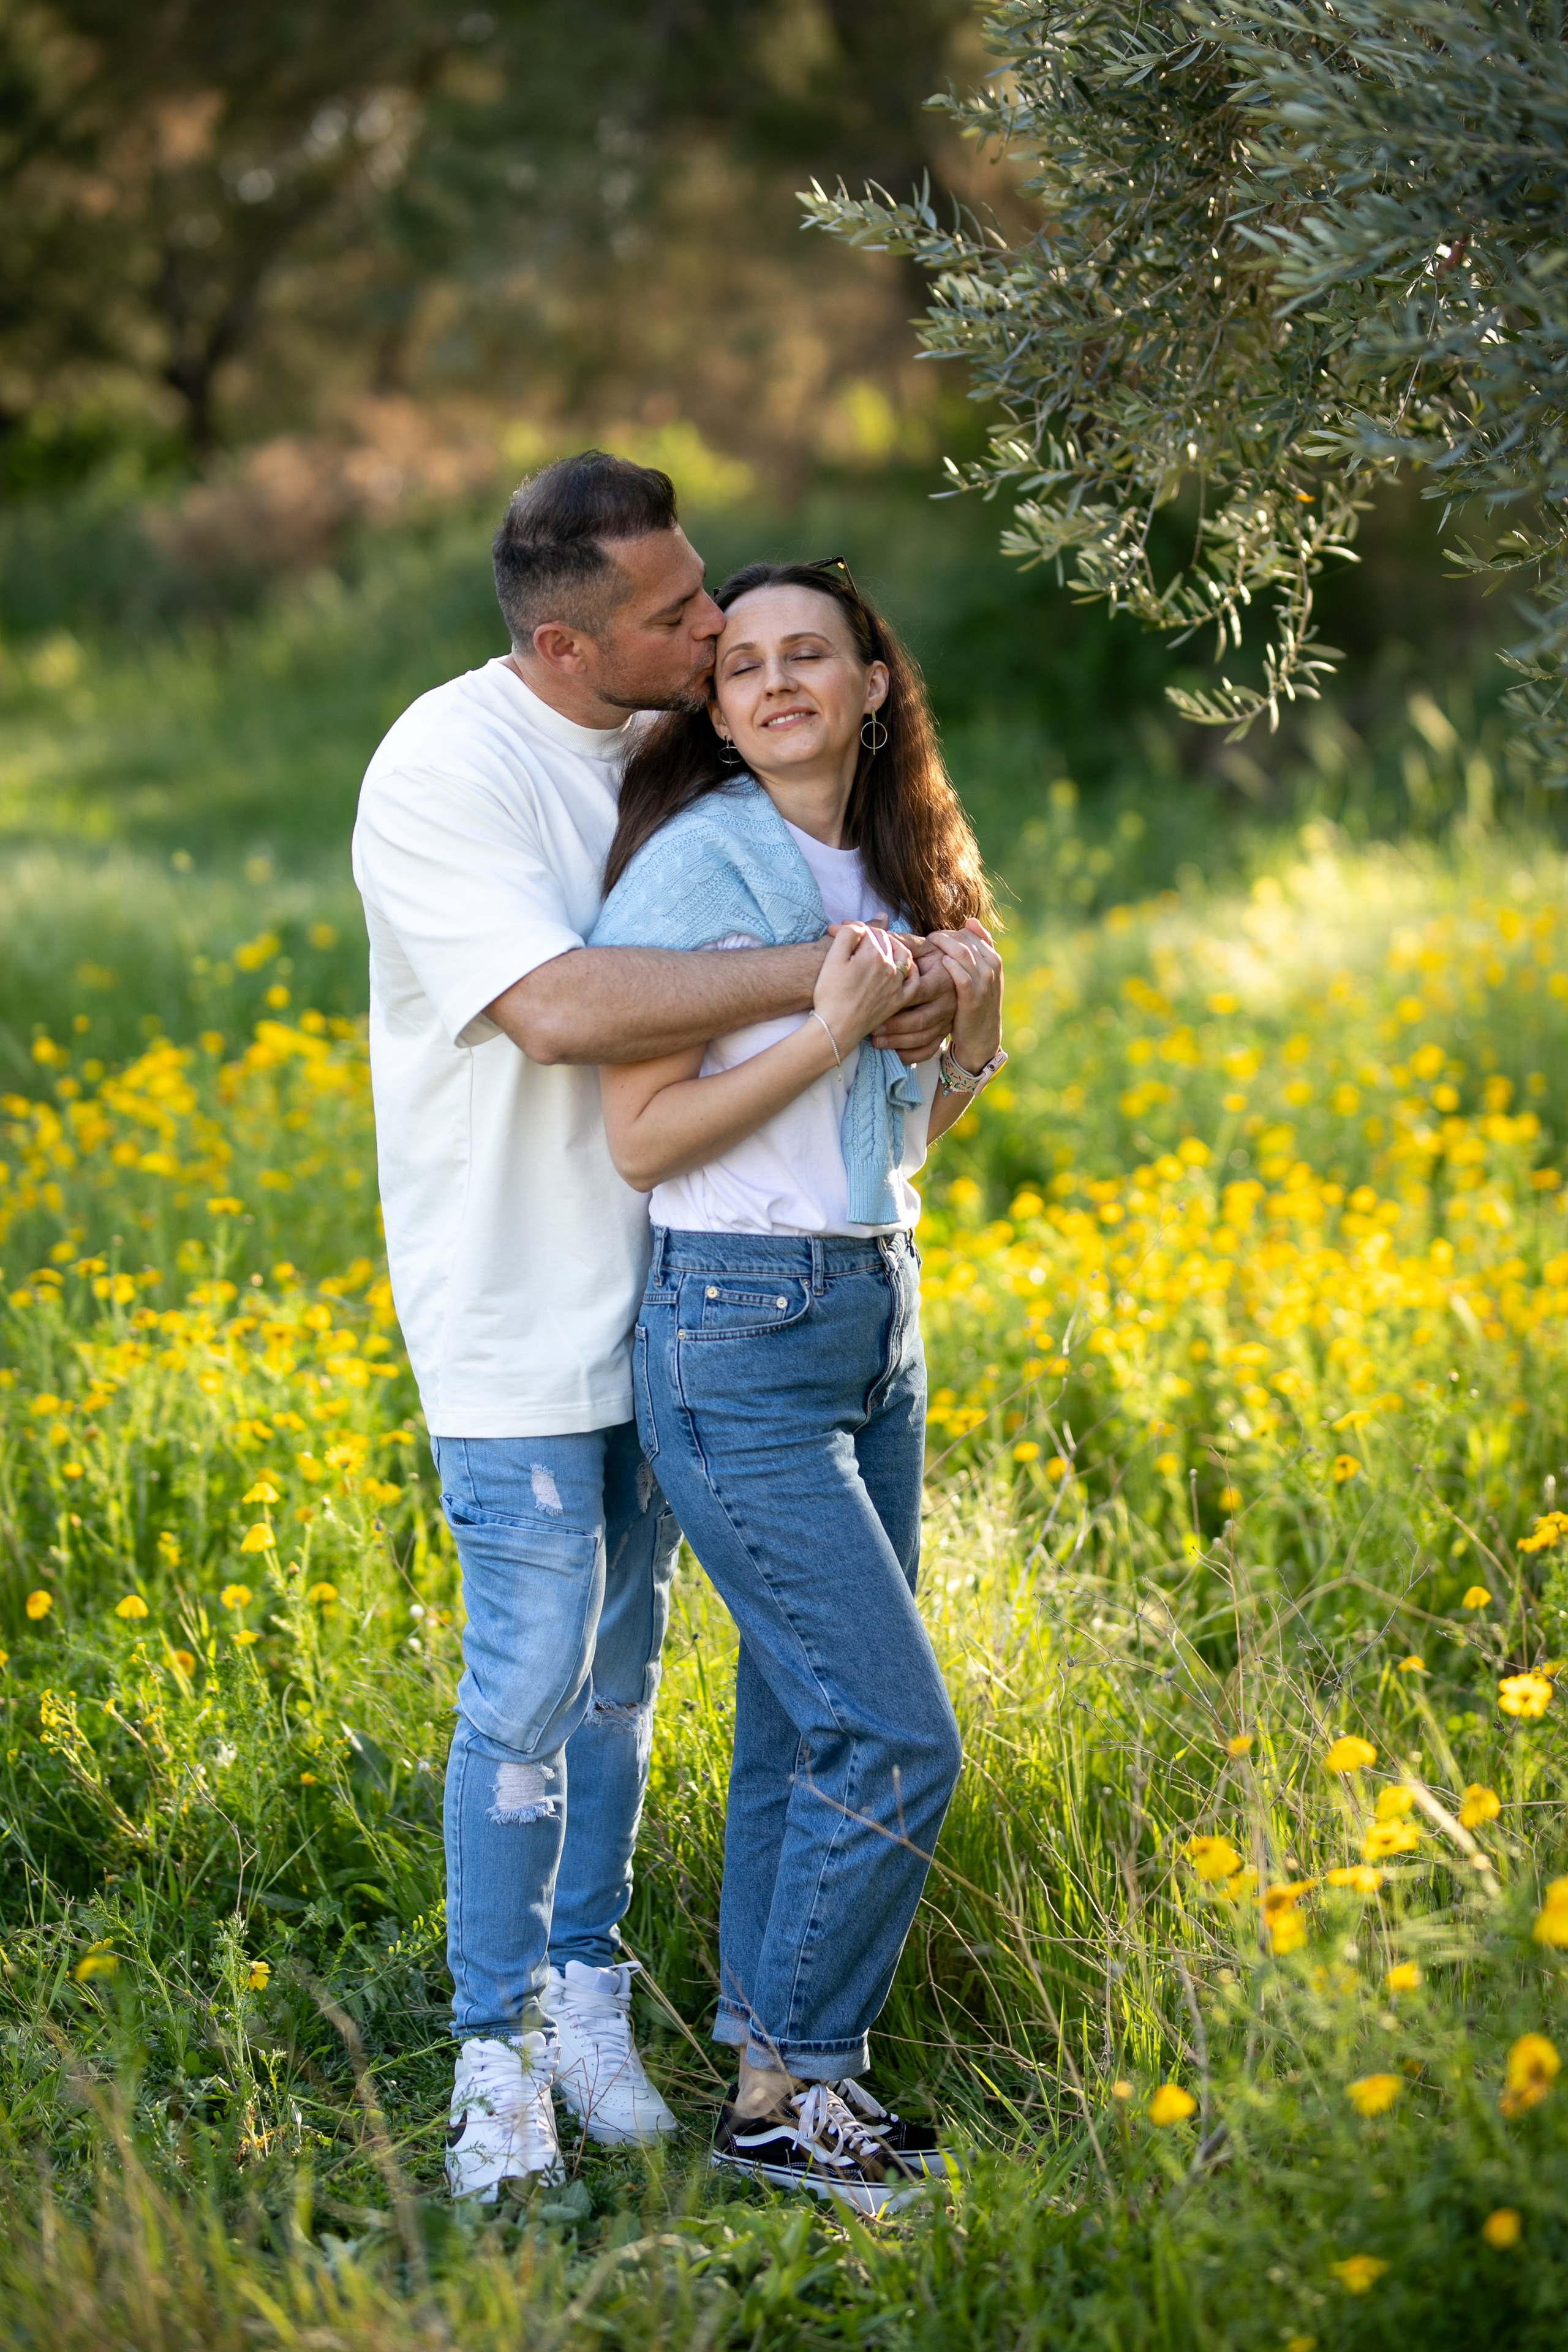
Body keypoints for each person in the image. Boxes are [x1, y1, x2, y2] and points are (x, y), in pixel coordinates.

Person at [350, 457, 958, 2200]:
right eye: (681, 617)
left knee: (622, 1689)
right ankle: (494, 2050)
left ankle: (586, 1989)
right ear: (564, 642)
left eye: (721, 602)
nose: (715, 637)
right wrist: (844, 975)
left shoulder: (668, 742)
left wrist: (928, 996)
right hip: (521, 1299)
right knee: (530, 1680)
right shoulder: (446, 765)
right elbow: (550, 1008)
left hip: (687, 1295)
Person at [592, 559, 1005, 2214]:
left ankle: (772, 2065)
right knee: (897, 1735)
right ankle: (803, 2087)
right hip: (736, 1336)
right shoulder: (702, 866)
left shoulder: (890, 862)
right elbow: (640, 1141)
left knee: (802, 1728)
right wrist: (830, 1031)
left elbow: (888, 1144)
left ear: (872, 687)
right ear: (719, 702)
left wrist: (966, 1037)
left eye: (807, 657)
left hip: (869, 1313)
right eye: (742, 661)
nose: (771, 683)